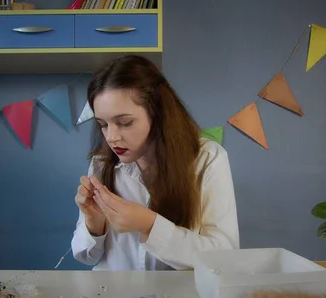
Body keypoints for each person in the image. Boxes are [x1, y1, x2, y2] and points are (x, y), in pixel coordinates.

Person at [70, 55, 239, 271]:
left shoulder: (207, 158)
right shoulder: (102, 164)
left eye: (124, 122)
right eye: (103, 124)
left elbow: (224, 258)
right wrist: (94, 224)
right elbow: (86, 256)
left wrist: (150, 224)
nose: (111, 137)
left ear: (158, 114)